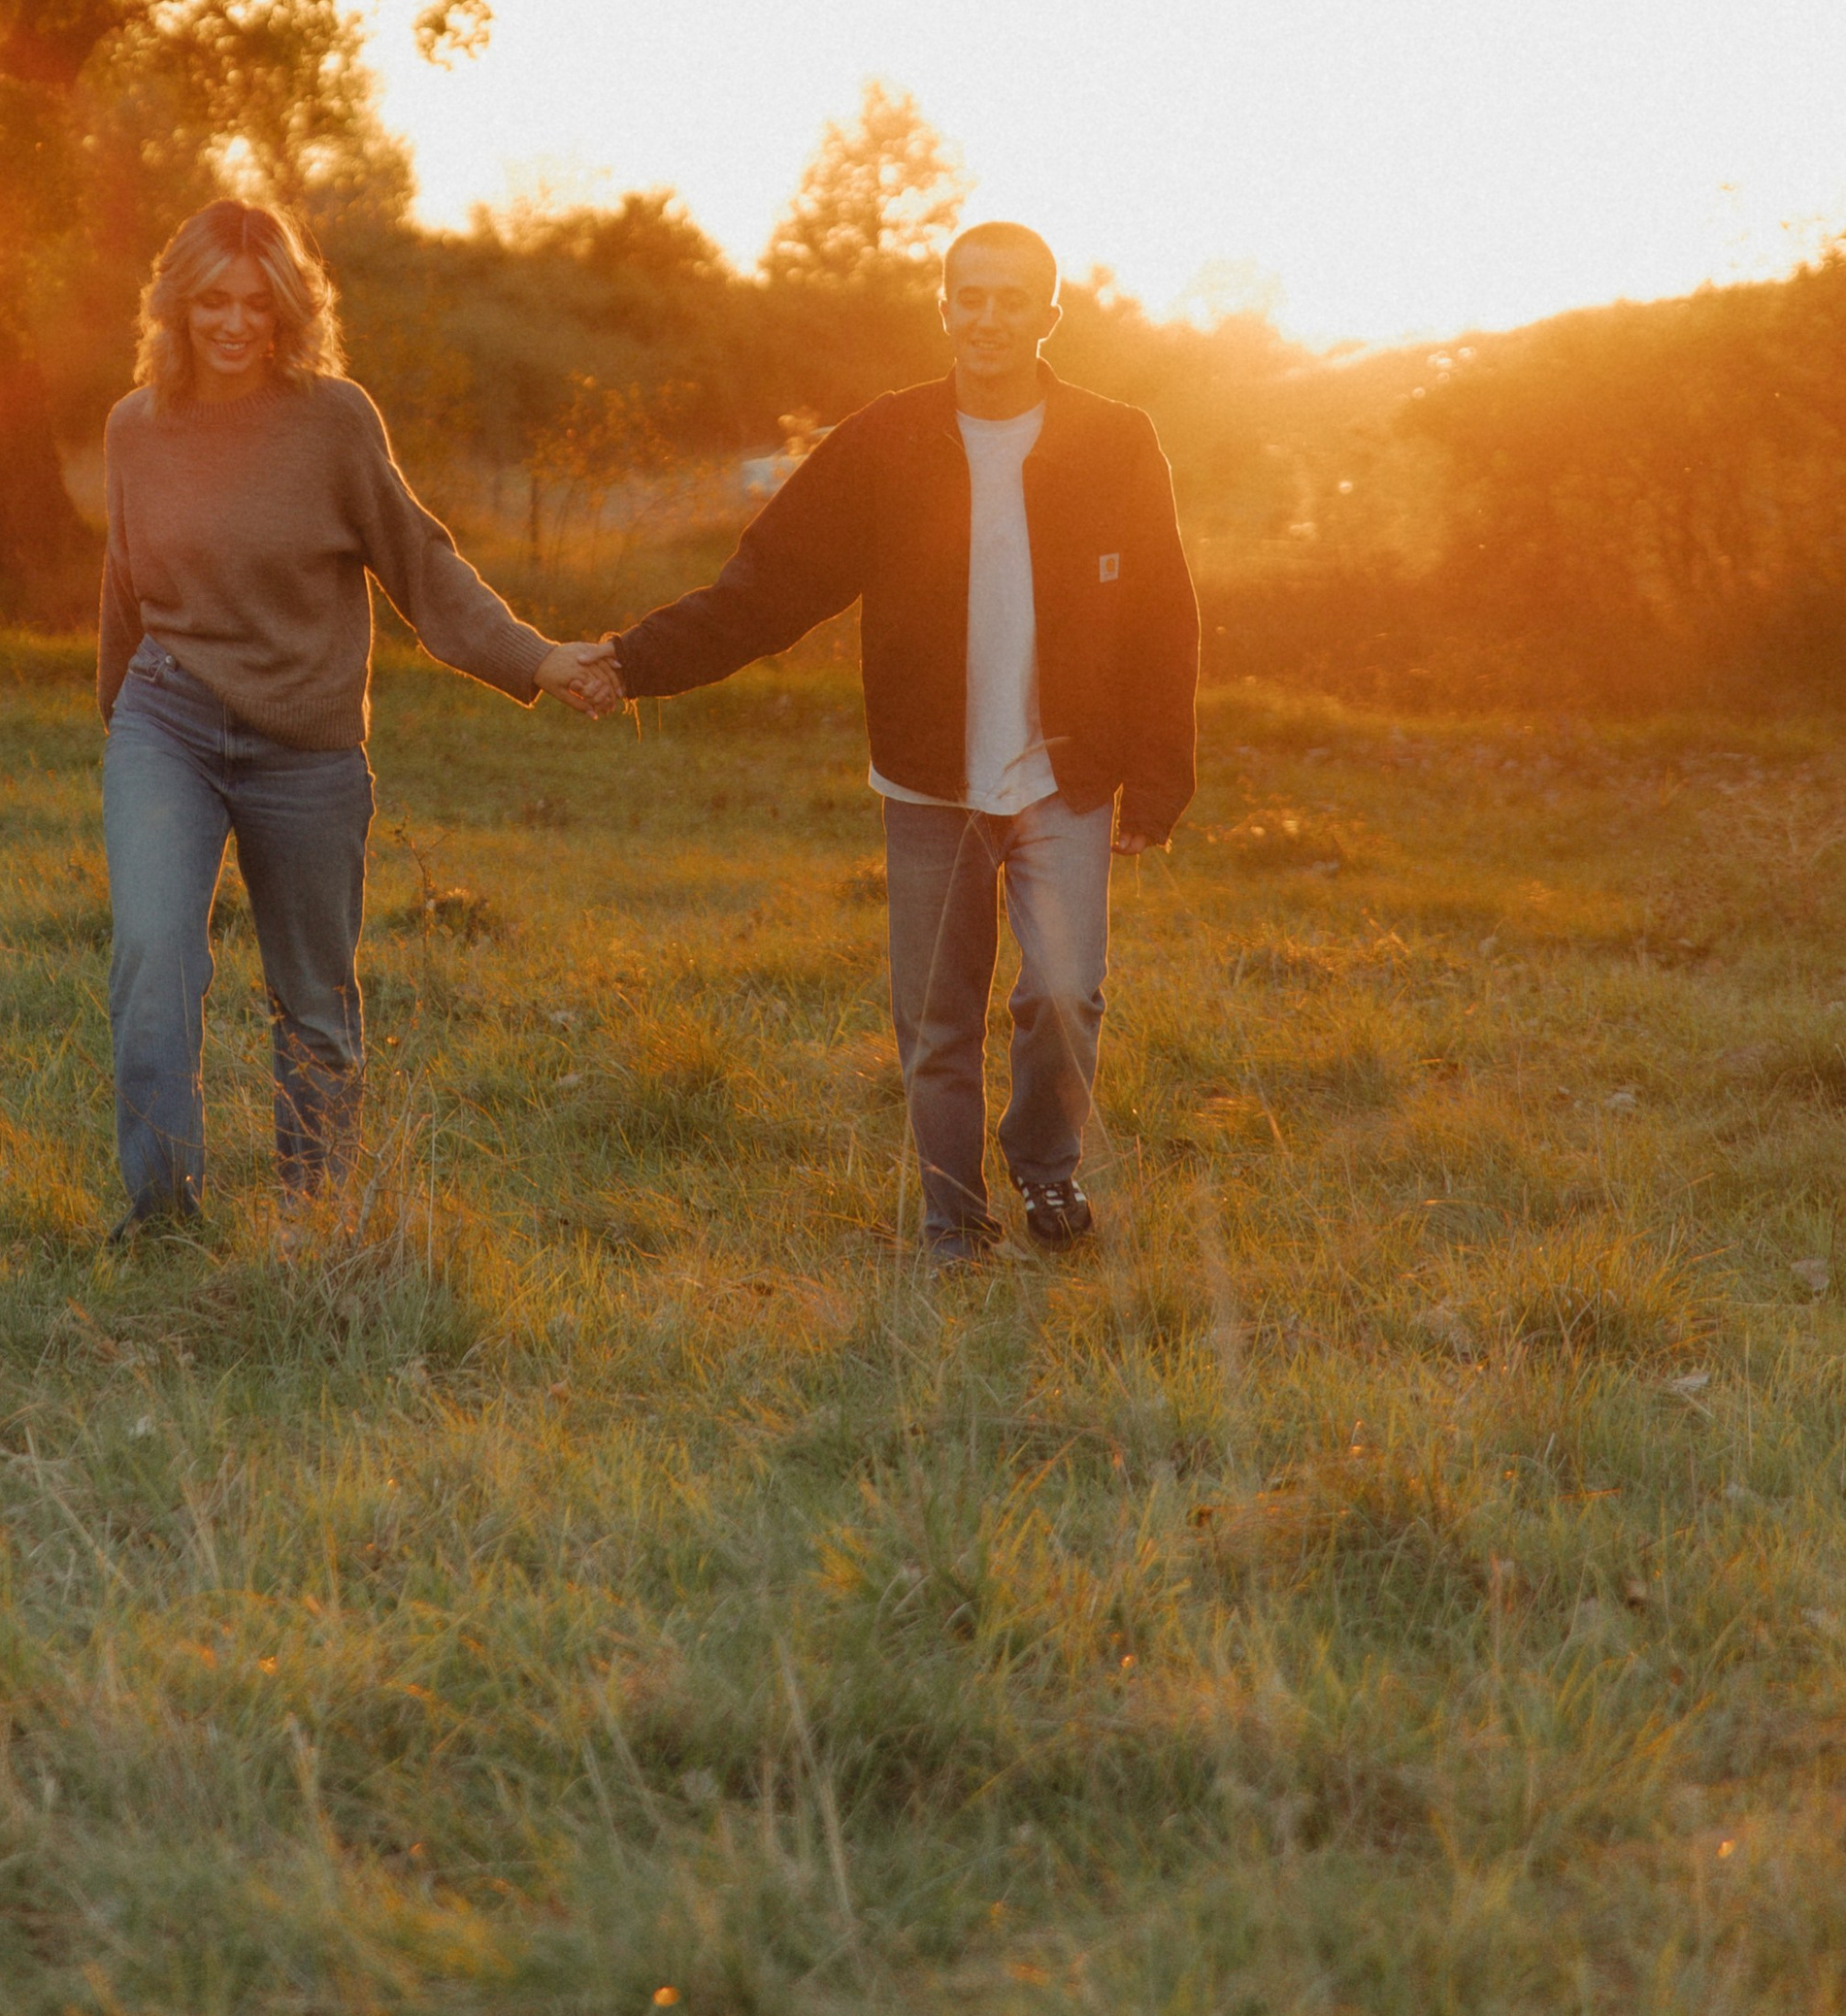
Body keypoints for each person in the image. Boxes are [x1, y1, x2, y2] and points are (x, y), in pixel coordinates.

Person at [597, 223, 1198, 1265]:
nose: (989, 315)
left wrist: (1158, 775)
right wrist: (631, 661)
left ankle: (1046, 1167)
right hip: (930, 782)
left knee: (1065, 993)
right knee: (936, 1020)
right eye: (970, 295)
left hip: (1067, 775)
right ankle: (951, 1218)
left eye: (1013, 297)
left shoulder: (1115, 438)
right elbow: (768, 588)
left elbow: (1163, 614)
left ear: (1049, 316)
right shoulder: (887, 440)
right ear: (944, 307)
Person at [96, 198, 616, 1239]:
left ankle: (315, 1219)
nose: (235, 322)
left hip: (306, 749)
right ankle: (160, 1220)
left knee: (315, 1002)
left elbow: (421, 566)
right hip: (170, 720)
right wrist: (115, 725)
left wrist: (537, 656)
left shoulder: (335, 420)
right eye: (212, 301)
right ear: (177, 306)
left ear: (288, 308)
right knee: (154, 956)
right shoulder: (136, 424)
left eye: (256, 301)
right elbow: (123, 580)